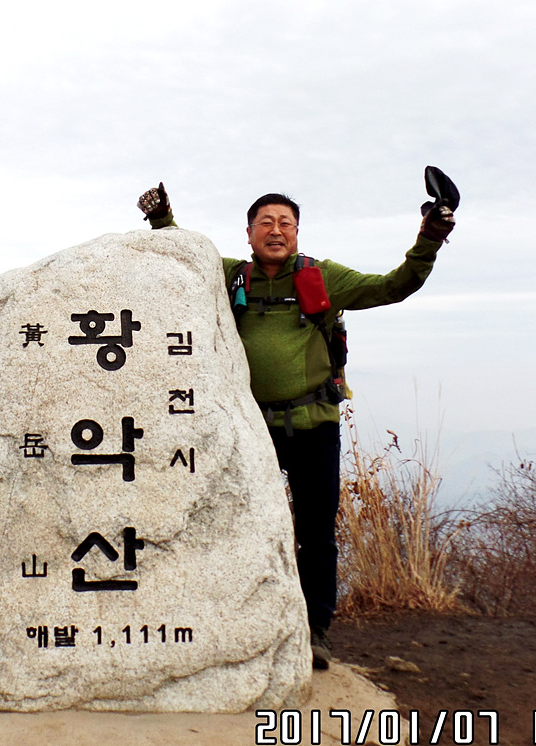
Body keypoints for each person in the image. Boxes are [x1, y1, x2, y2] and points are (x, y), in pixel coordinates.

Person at [136, 177, 456, 669]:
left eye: (285, 222)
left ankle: (315, 631)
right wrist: (162, 219)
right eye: (265, 222)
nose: (276, 230)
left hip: (314, 426)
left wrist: (429, 237)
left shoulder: (322, 276)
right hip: (249, 430)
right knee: (236, 526)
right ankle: (245, 622)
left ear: (297, 232)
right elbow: (185, 259)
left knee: (316, 534)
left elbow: (395, 286)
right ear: (248, 233)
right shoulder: (232, 276)